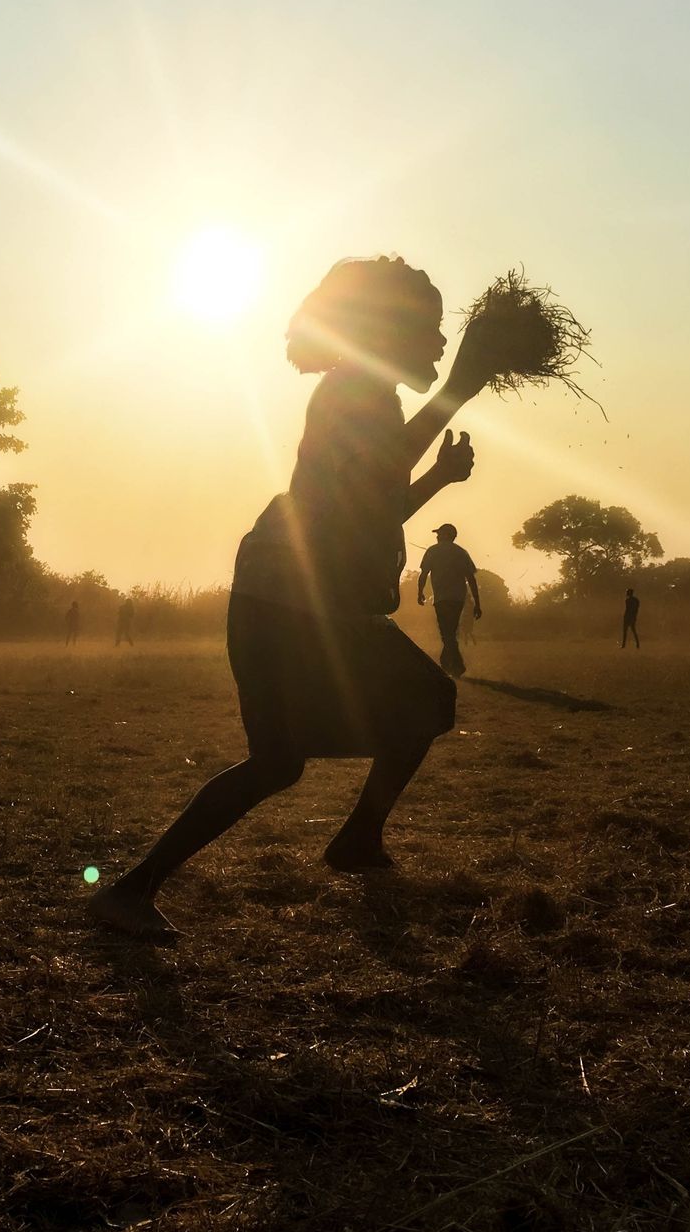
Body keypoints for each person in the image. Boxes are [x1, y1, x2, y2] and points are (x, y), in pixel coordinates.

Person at [90, 254, 495, 940]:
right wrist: (458, 389)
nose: (439, 341)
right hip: (288, 600)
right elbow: (376, 483)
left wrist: (439, 479)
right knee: (372, 724)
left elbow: (373, 506)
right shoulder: (354, 391)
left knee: (307, 750)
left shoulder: (368, 396)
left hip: (295, 599)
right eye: (429, 327)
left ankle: (351, 841)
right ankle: (136, 889)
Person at [416, 524, 481, 677]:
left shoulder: (432, 551)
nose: (437, 536)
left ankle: (454, 665)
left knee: (447, 632)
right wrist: (477, 604)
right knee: (449, 631)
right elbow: (471, 579)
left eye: (439, 534)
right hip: (458, 598)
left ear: (446, 535)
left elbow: (424, 574)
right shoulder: (461, 552)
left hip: (442, 598)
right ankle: (448, 665)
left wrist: (420, 592)